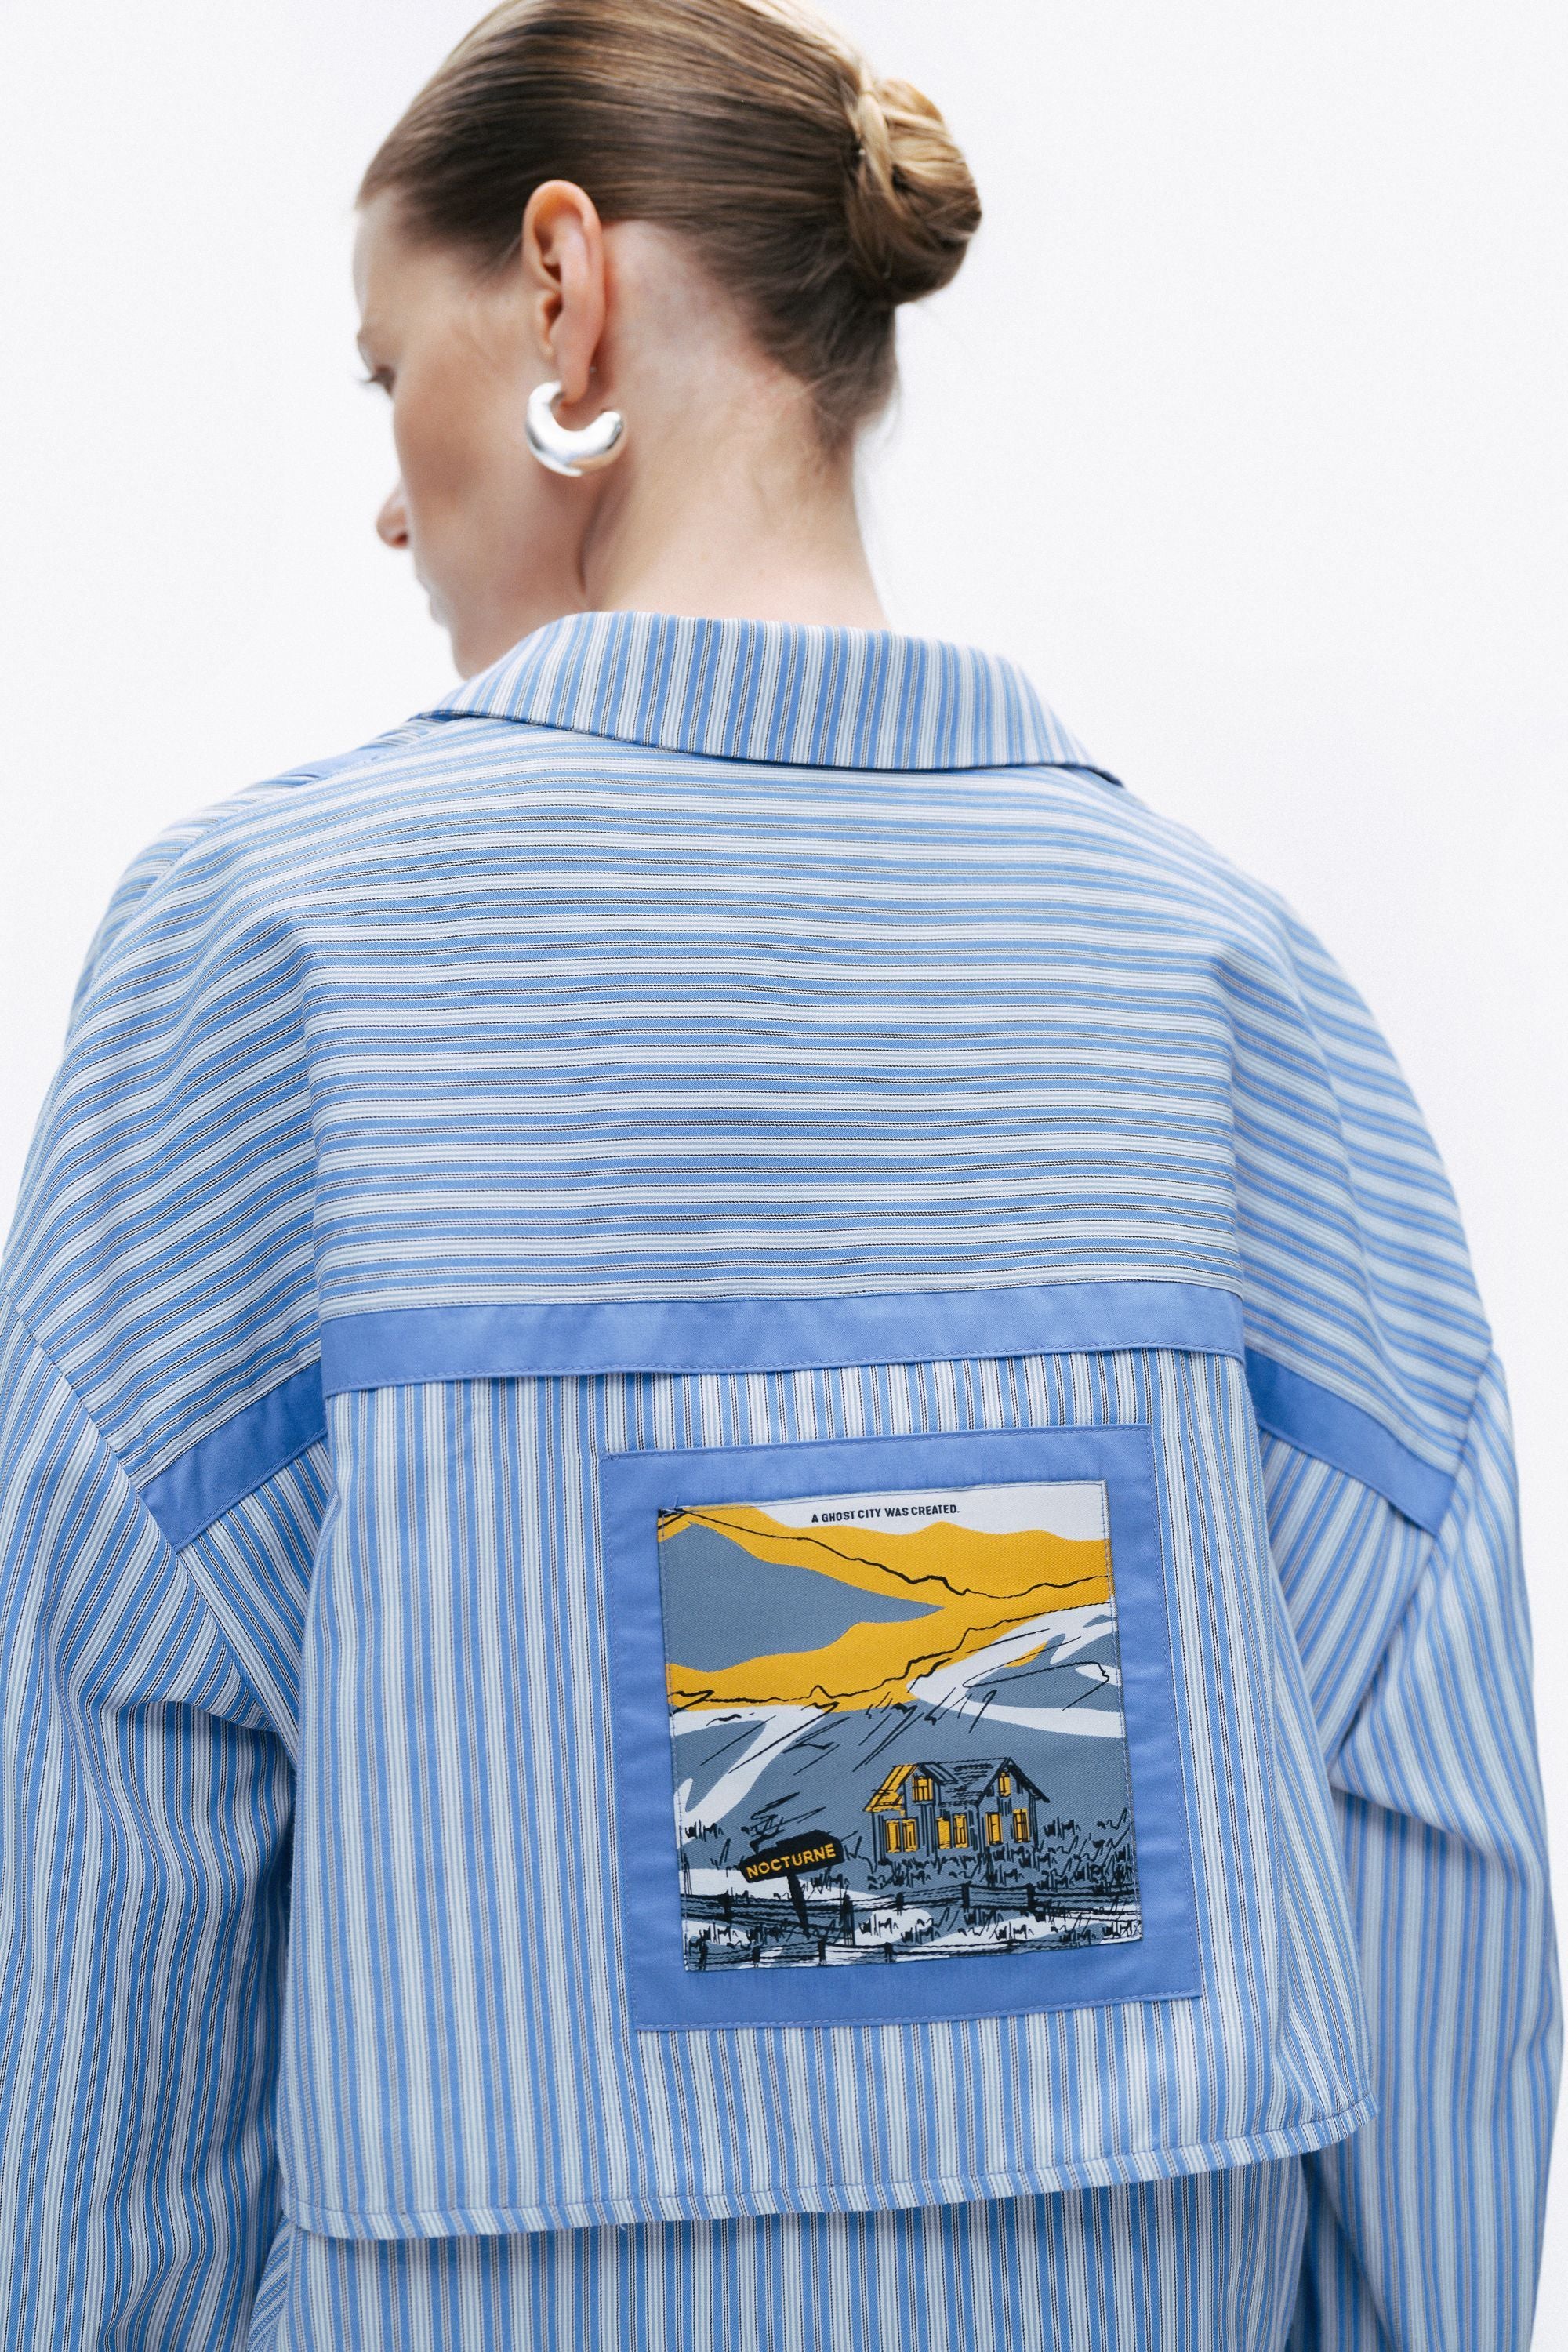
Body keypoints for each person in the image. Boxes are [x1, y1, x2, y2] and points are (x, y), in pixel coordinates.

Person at [0, 0, 1557, 2343]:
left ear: (563, 295)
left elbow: (110, 1880)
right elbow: (1439, 1850)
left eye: (387, 374)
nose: (394, 499)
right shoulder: (1229, 987)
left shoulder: (265, 964)